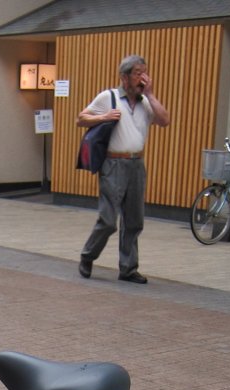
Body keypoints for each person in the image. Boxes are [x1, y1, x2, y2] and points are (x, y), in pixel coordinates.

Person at [76, 55, 170, 285]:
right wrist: (104, 117)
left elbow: (165, 120)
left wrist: (150, 94)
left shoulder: (145, 102)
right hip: (113, 164)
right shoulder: (108, 97)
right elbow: (81, 119)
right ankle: (88, 256)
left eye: (145, 73)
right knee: (108, 220)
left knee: (134, 219)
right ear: (124, 77)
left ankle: (128, 268)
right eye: (138, 73)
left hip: (137, 164)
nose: (143, 78)